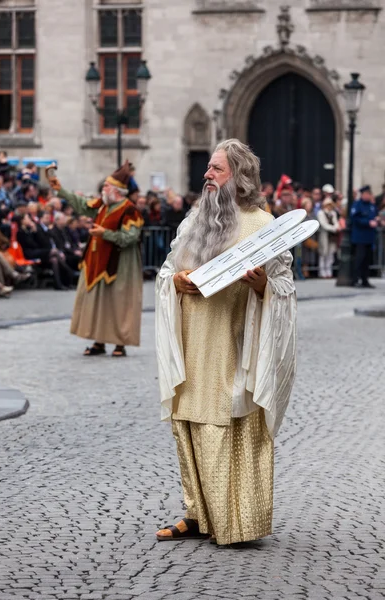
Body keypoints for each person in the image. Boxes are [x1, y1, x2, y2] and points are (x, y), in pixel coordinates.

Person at [155, 139, 297, 546]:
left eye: (216, 169)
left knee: (225, 421)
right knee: (188, 422)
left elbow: (285, 285)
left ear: (240, 176)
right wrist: (176, 282)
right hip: (190, 343)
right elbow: (166, 271)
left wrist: (263, 286)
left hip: (234, 345)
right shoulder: (193, 221)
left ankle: (234, 520)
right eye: (208, 168)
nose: (207, 175)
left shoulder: (264, 226)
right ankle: (197, 513)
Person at [48, 161, 144, 357]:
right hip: (97, 260)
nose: (103, 189)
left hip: (120, 263)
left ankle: (120, 344)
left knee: (118, 302)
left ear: (117, 191)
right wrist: (61, 191)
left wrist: (105, 233)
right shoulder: (102, 205)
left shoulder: (129, 210)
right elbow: (83, 205)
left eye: (107, 186)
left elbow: (130, 238)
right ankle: (99, 342)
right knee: (98, 303)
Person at [351, 185, 378, 288]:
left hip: (369, 237)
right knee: (359, 259)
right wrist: (368, 222)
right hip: (360, 237)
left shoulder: (371, 206)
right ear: (362, 195)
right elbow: (355, 219)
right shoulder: (357, 205)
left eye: (369, 194)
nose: (367, 196)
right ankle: (355, 279)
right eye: (366, 194)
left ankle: (365, 280)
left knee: (367, 260)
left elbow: (374, 215)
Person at [317, 198, 339, 279]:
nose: (329, 206)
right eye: (327, 205)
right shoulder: (321, 213)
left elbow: (336, 222)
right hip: (324, 235)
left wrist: (336, 227)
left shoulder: (333, 213)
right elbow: (323, 224)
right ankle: (322, 271)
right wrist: (333, 228)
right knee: (323, 253)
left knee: (330, 254)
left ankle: (328, 270)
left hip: (332, 236)